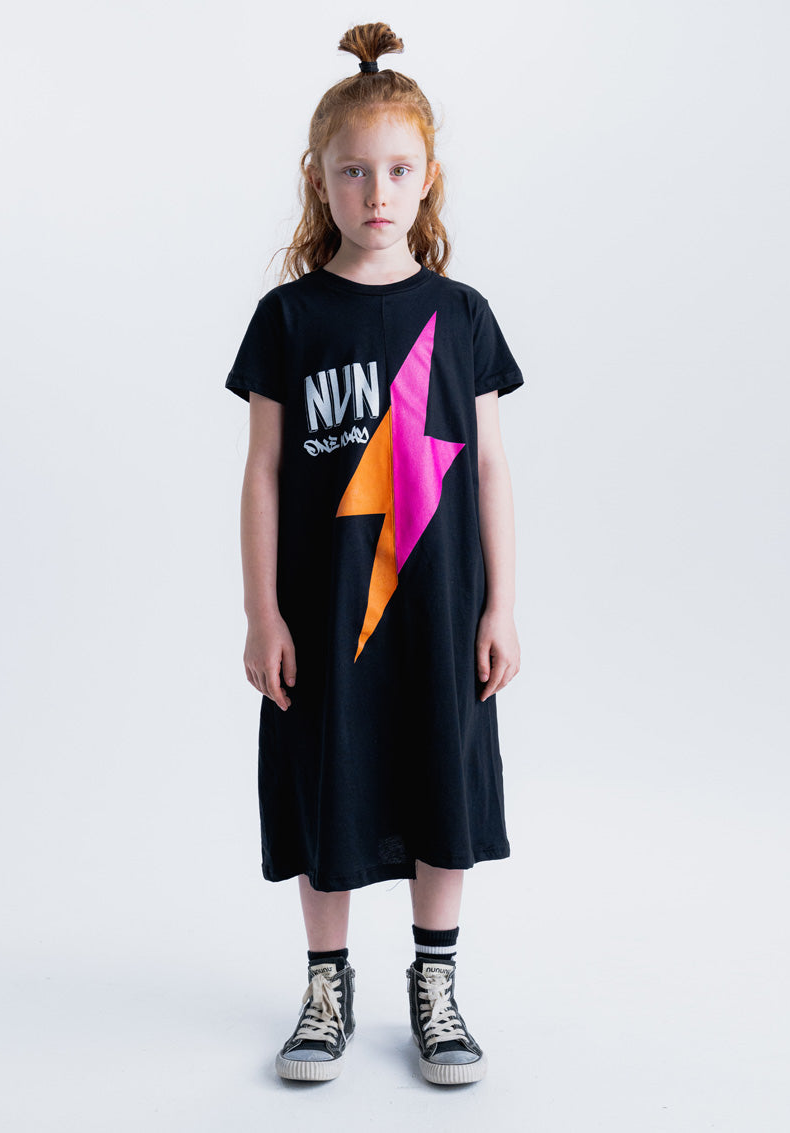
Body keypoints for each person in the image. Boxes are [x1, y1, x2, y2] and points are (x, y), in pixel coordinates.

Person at [226, 22, 523, 1085]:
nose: (376, 190)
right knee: (328, 782)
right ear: (319, 178)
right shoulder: (289, 319)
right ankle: (325, 985)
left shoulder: (463, 315)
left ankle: (436, 984)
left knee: (444, 781)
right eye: (353, 170)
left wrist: (501, 605)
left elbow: (490, 469)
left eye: (398, 169)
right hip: (325, 611)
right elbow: (263, 472)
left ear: (428, 175)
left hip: (440, 610)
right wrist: (262, 611)